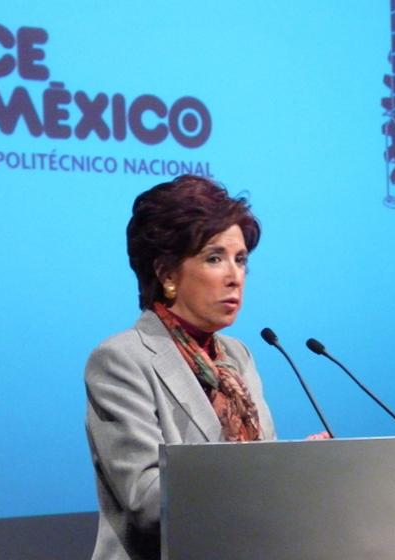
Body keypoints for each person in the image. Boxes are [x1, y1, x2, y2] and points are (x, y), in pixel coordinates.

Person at [84, 175, 276, 560]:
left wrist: (302, 468)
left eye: (240, 260)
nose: (234, 277)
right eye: (214, 258)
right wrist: (270, 477)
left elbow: (265, 471)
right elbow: (148, 502)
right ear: (167, 274)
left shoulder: (237, 357)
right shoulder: (121, 360)